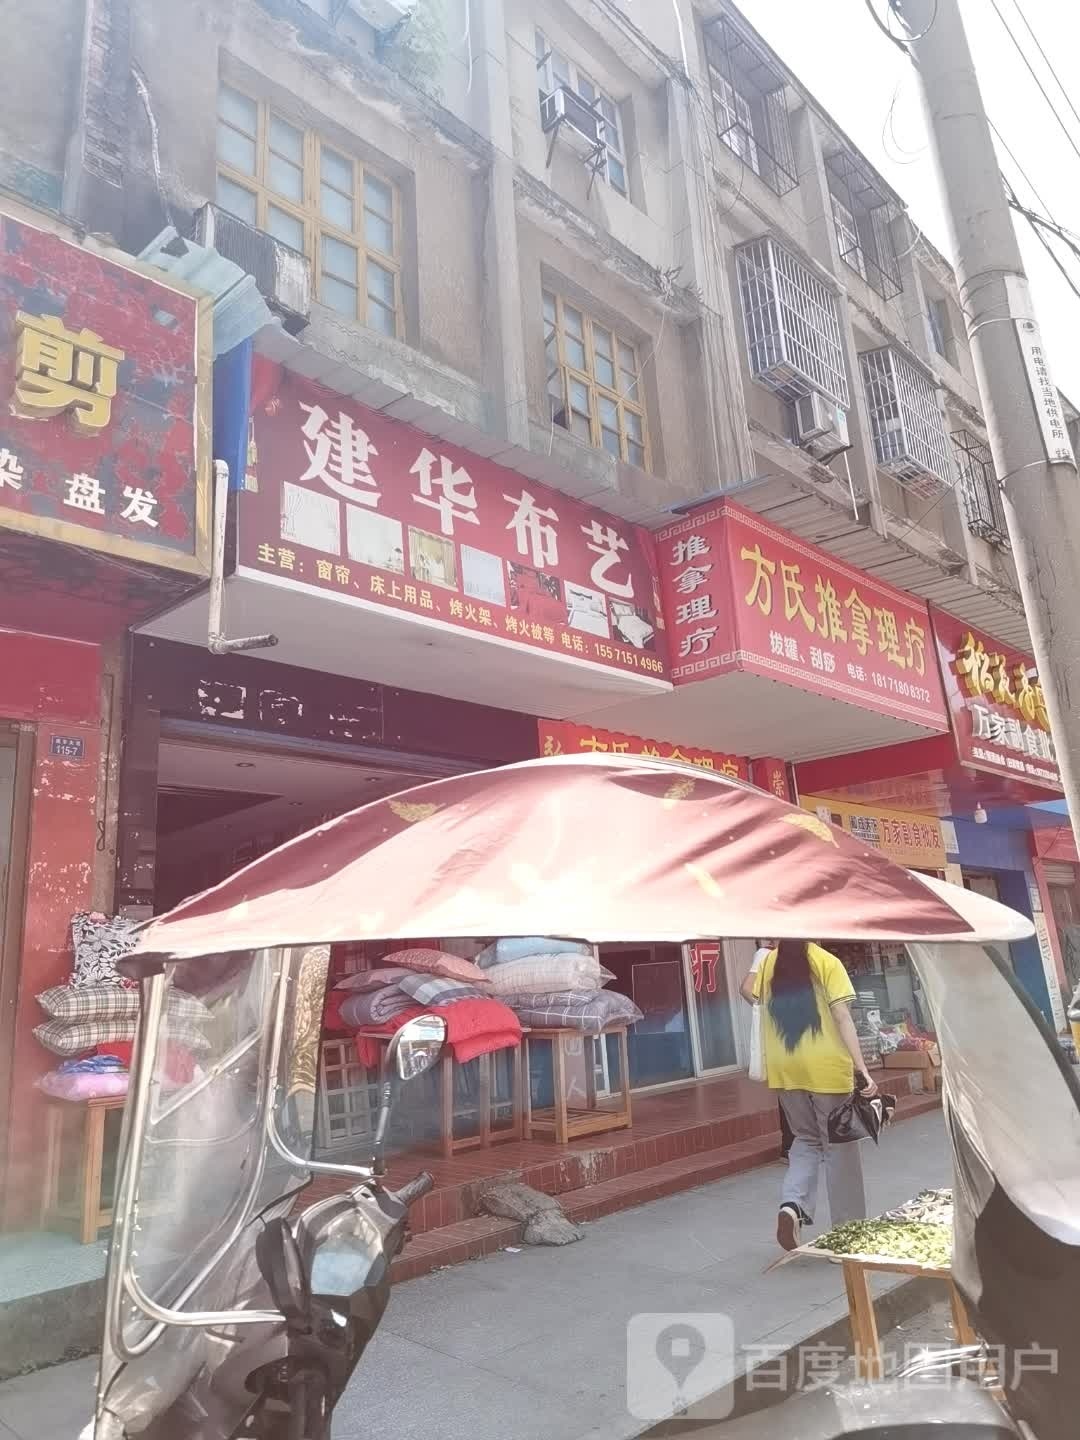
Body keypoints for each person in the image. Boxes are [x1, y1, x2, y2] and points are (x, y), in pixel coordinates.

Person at [752, 939, 877, 1251]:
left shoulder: (767, 963)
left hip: (785, 1067)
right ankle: (847, 1237)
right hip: (826, 1068)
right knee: (839, 1148)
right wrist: (862, 1067)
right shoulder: (826, 962)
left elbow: (752, 996)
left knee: (805, 1139)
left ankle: (792, 1205)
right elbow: (842, 1017)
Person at [740, 941, 793, 1161]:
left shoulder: (800, 954)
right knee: (789, 1087)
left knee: (799, 1087)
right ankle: (790, 1145)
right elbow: (746, 988)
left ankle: (800, 1143)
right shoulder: (765, 954)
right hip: (782, 1031)